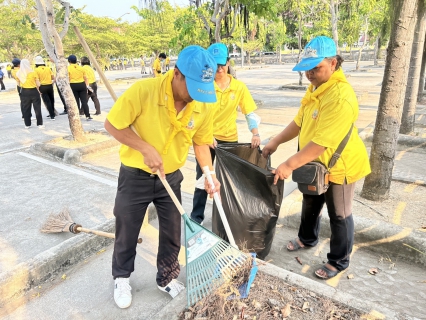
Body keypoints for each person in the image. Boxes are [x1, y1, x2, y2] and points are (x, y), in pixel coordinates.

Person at [104, 45, 220, 309]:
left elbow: (201, 142)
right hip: (135, 175)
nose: (196, 95)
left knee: (172, 231)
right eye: (192, 86)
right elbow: (112, 124)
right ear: (176, 73)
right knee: (127, 228)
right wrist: (145, 148)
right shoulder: (144, 91)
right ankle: (121, 277)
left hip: (172, 176)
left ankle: (166, 277)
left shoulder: (202, 103)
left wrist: (209, 173)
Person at [262, 36, 371, 280]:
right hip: (314, 165)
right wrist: (276, 141)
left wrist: (288, 165)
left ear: (333, 63)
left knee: (339, 214)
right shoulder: (316, 90)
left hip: (340, 165)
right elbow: (299, 122)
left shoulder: (340, 97)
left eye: (316, 68)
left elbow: (322, 144)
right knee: (310, 201)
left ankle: (338, 260)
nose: (310, 74)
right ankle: (307, 238)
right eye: (307, 69)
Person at [190, 42, 261, 225]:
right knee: (204, 176)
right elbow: (195, 113)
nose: (218, 68)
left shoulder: (238, 87)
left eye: (222, 63)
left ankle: (225, 217)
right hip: (206, 139)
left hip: (229, 140)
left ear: (229, 63)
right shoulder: (204, 86)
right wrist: (206, 136)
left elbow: (249, 113)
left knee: (226, 180)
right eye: (214, 64)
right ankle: (196, 218)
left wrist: (255, 133)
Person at [16, 59, 43, 128]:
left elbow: (18, 84)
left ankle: (27, 124)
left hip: (24, 92)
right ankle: (40, 124)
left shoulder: (18, 73)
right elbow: (38, 84)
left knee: (26, 108)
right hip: (34, 91)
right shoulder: (33, 72)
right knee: (37, 108)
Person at [67, 54, 92, 120]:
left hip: (73, 85)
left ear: (69, 61)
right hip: (82, 85)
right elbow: (86, 78)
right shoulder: (81, 68)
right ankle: (88, 116)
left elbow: (68, 78)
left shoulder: (68, 68)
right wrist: (87, 86)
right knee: (84, 101)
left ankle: (77, 116)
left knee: (76, 101)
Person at [34, 56, 56, 120]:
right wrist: (52, 82)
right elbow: (53, 77)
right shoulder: (48, 68)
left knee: (47, 101)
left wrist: (38, 89)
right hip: (49, 86)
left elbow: (37, 80)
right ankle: (53, 113)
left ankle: (52, 115)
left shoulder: (36, 70)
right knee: (52, 99)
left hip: (42, 86)